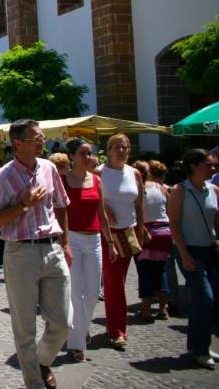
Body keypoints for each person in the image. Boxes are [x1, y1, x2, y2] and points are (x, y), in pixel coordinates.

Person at [0, 119, 72, 389]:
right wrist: (23, 204)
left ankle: (42, 361)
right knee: (24, 329)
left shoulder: (48, 168)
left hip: (52, 247)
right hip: (20, 252)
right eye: (36, 138)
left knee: (63, 322)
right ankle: (34, 382)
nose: (42, 141)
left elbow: (62, 205)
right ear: (18, 144)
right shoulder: (2, 178)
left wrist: (65, 243)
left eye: (42, 136)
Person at [62, 138, 116, 363]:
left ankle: (81, 327)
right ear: (72, 157)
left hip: (94, 239)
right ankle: (77, 344)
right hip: (73, 237)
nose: (88, 157)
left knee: (93, 292)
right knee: (75, 292)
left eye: (90, 153)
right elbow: (61, 213)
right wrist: (64, 243)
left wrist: (110, 242)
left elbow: (102, 214)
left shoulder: (96, 180)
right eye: (83, 153)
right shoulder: (63, 180)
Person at [168, 148, 219, 369]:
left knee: (209, 299)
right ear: (193, 167)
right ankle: (198, 349)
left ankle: (200, 345)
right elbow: (174, 225)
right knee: (204, 297)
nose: (213, 167)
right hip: (188, 249)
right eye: (208, 164)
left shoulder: (214, 189)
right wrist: (185, 255)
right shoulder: (180, 191)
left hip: (211, 249)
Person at [97, 133, 145, 349]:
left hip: (129, 231)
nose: (122, 150)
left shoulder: (134, 173)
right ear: (108, 150)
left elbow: (140, 203)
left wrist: (142, 227)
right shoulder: (99, 173)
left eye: (125, 147)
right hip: (108, 233)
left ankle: (113, 324)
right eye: (117, 146)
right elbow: (89, 196)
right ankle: (117, 330)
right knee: (114, 282)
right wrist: (103, 206)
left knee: (120, 280)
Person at [135, 160, 172, 321]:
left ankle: (146, 309)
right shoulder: (161, 188)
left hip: (147, 232)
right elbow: (170, 210)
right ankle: (163, 309)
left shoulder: (137, 190)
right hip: (165, 232)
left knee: (145, 272)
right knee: (161, 270)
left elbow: (136, 213)